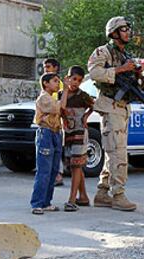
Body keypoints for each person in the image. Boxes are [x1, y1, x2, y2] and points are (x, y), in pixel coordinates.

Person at [88, 16, 140, 211]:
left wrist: (137, 73)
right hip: (110, 106)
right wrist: (120, 69)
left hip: (122, 107)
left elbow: (134, 82)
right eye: (124, 29)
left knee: (113, 153)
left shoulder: (126, 55)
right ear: (114, 32)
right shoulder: (103, 52)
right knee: (118, 154)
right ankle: (118, 195)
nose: (128, 32)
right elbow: (94, 73)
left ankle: (102, 193)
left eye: (128, 29)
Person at [30, 73, 69, 215]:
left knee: (53, 170)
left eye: (58, 81)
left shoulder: (52, 97)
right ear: (46, 83)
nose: (57, 84)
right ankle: (37, 203)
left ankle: (46, 202)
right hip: (46, 133)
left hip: (56, 133)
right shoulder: (44, 98)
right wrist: (65, 90)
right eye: (55, 81)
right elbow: (61, 107)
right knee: (44, 170)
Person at [60, 66, 95, 211]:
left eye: (79, 80)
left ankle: (72, 199)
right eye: (73, 79)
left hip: (80, 132)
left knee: (76, 165)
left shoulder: (83, 95)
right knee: (75, 165)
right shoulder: (61, 94)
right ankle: (84, 197)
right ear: (67, 78)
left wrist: (86, 116)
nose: (76, 83)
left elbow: (93, 106)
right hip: (68, 133)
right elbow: (60, 109)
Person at [43, 58, 65, 186]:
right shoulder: (46, 83)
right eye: (45, 67)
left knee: (56, 150)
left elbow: (59, 105)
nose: (46, 69)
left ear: (56, 68)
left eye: (49, 66)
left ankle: (57, 175)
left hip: (56, 123)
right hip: (48, 124)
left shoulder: (58, 85)